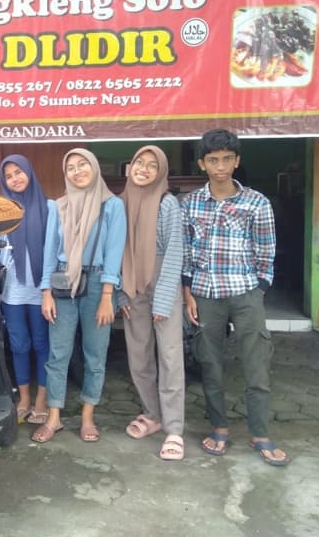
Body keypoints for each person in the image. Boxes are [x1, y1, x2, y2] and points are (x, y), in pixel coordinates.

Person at [182, 129, 289, 466]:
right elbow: (186, 253)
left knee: (256, 364)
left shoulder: (256, 202)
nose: (221, 166)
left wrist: (259, 289)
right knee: (210, 363)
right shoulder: (190, 203)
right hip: (205, 294)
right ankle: (219, 427)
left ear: (237, 161)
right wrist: (188, 293)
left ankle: (260, 433)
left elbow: (266, 251)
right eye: (213, 160)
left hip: (245, 294)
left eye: (227, 159)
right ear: (202, 163)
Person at [35, 148, 127, 443]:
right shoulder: (58, 206)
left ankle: (88, 416)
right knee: (58, 353)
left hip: (99, 284)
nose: (77, 171)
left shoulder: (112, 205)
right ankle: (54, 417)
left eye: (82, 164)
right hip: (63, 282)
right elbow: (49, 251)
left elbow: (114, 251)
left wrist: (108, 295)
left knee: (95, 354)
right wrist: (46, 292)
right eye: (71, 167)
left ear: (95, 166)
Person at [118, 146, 186, 461]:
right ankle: (152, 414)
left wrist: (164, 298)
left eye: (152, 165)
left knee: (170, 355)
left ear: (161, 172)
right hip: (131, 283)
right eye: (139, 162)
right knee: (138, 353)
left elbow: (174, 250)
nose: (143, 169)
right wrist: (121, 292)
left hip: (162, 280)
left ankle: (174, 428)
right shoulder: (121, 203)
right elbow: (116, 250)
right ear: (129, 167)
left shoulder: (167, 203)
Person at [0, 155, 52, 425]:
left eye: (19, 172)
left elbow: (55, 249)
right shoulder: (2, 212)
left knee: (42, 343)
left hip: (42, 290)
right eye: (9, 175)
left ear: (29, 172)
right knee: (19, 344)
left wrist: (48, 286)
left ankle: (42, 399)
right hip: (11, 291)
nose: (15, 178)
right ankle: (24, 398)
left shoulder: (50, 208)